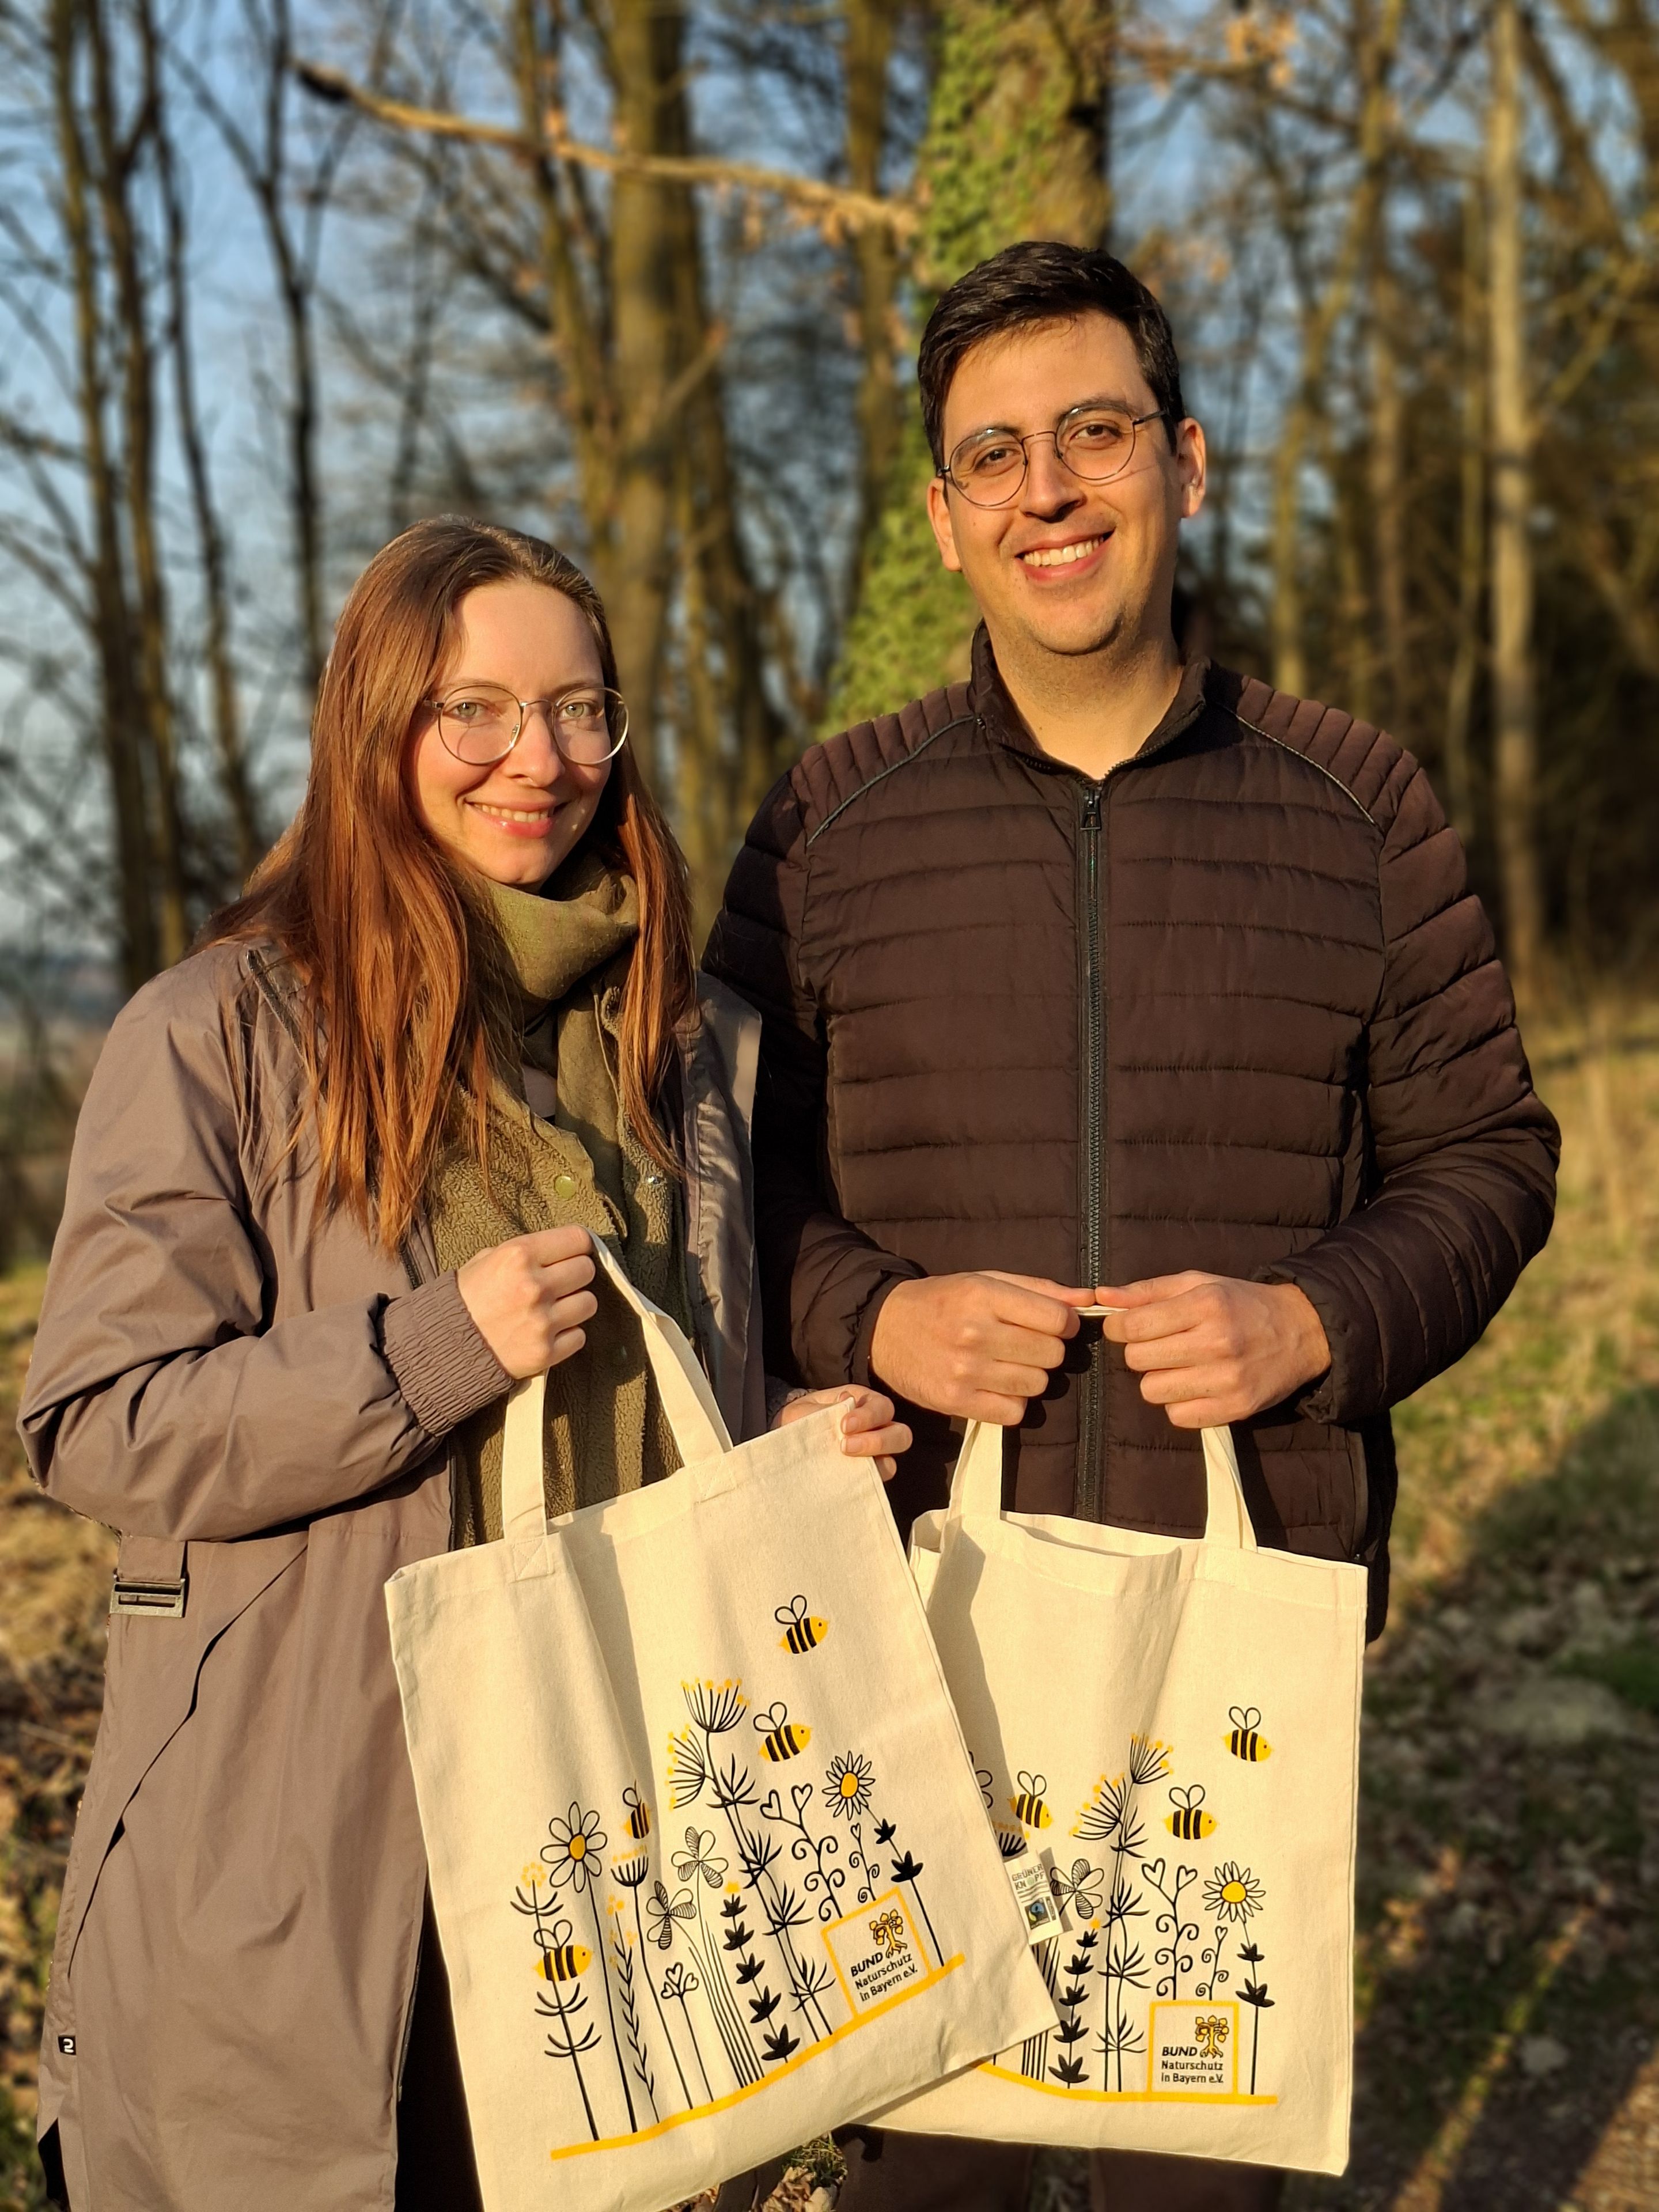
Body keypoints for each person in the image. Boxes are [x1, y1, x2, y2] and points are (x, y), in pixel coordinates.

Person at [705, 243, 1560, 2211]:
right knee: (933, 2182)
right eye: (991, 456)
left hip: (1237, 1610)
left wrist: (1316, 1323)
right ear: (941, 520)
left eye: (1092, 433)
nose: (1047, 491)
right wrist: (873, 1317)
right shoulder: (827, 831)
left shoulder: (1360, 810)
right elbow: (726, 1193)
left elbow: (1493, 1161)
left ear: (1184, 460)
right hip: (917, 1620)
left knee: (1200, 2173)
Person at [18, 516, 907, 2212]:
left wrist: (776, 1441)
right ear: (379, 728)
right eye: (476, 710)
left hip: (608, 1824)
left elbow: (667, 1383)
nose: (540, 760)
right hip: (313, 1850)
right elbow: (96, 1425)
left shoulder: (683, 1041)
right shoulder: (221, 1029)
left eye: (582, 711)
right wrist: (425, 1353)